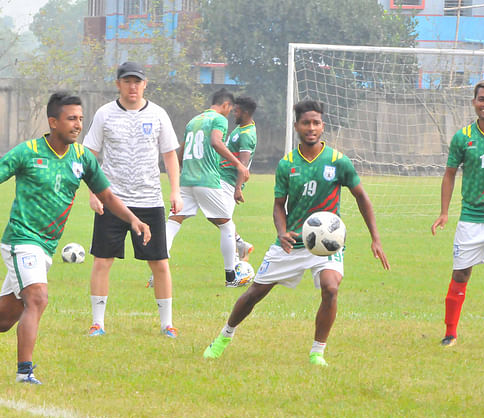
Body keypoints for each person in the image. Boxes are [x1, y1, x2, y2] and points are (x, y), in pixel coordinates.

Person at [0, 92, 151, 385]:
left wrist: (133, 219)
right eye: (71, 119)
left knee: (1, 321)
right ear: (53, 122)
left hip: (46, 245)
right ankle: (25, 373)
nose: (78, 125)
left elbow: (107, 195)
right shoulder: (27, 151)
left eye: (81, 119)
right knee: (37, 299)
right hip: (21, 239)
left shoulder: (83, 157)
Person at [202, 100, 390, 366]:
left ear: (322, 126)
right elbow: (279, 205)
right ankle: (223, 337)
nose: (311, 128)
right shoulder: (287, 164)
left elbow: (362, 197)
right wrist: (281, 232)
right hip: (291, 242)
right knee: (254, 293)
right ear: (297, 126)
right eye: (306, 123)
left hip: (326, 244)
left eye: (316, 123)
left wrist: (376, 238)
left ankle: (317, 352)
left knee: (331, 288)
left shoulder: (338, 161)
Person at [82, 62, 181, 338]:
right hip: (111, 200)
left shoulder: (159, 115)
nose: (132, 86)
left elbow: (170, 155)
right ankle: (97, 323)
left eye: (137, 81)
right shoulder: (105, 114)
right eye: (127, 81)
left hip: (149, 201)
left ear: (145, 84)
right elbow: (89, 154)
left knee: (160, 263)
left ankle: (167, 324)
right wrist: (93, 193)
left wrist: (175, 191)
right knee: (102, 261)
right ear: (118, 84)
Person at [432, 79, 484, 347]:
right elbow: (449, 174)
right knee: (461, 275)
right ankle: (450, 333)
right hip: (471, 218)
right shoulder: (462, 137)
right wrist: (444, 213)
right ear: (474, 102)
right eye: (481, 99)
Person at [163, 88, 248, 287]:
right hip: (207, 181)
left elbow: (181, 153)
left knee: (174, 222)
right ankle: (230, 277)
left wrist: (182, 174)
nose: (229, 113)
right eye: (230, 109)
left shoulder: (193, 121)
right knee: (227, 226)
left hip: (186, 180)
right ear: (226, 105)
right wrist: (239, 165)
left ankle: (157, 271)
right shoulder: (218, 119)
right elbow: (216, 142)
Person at [222, 95, 258, 262]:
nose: (233, 113)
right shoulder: (240, 129)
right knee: (220, 218)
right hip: (222, 178)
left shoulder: (247, 135)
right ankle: (240, 245)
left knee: (224, 222)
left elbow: (243, 165)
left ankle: (236, 262)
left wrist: (237, 188)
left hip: (229, 183)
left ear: (245, 112)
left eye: (236, 110)